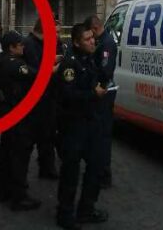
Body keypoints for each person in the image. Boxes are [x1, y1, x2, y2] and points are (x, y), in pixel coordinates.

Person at [55, 24, 109, 229]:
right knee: (71, 171)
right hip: (73, 126)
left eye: (92, 37)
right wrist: (93, 94)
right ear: (77, 42)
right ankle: (65, 214)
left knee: (96, 166)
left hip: (91, 123)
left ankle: (86, 209)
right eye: (87, 39)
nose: (92, 41)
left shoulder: (89, 60)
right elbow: (68, 96)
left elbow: (93, 80)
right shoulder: (70, 64)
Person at [0, 30, 41, 211]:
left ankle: (4, 191)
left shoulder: (0, 60)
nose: (23, 46)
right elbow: (36, 75)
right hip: (16, 114)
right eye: (20, 44)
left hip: (5, 112)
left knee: (5, 152)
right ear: (12, 48)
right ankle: (19, 197)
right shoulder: (14, 64)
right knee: (19, 154)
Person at [24, 17, 64, 179]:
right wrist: (58, 67)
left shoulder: (40, 43)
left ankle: (47, 167)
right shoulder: (30, 45)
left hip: (48, 97)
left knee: (47, 135)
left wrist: (57, 58)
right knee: (34, 137)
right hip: (37, 98)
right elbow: (38, 71)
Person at [85, 15, 117, 189]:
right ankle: (100, 170)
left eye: (91, 34)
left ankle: (104, 174)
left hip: (104, 94)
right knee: (98, 134)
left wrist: (95, 83)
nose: (91, 39)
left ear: (95, 28)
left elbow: (105, 70)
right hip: (101, 92)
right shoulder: (102, 41)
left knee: (103, 135)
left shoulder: (106, 43)